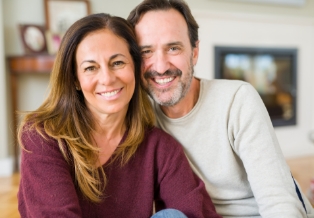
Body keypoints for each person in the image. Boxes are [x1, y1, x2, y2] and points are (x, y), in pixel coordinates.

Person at [17, 13, 222, 218]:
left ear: (135, 67)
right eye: (90, 68)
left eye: (117, 63)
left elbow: (197, 212)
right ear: (75, 80)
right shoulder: (43, 137)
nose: (107, 79)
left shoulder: (158, 147)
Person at [127, 0, 314, 217]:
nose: (160, 66)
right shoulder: (143, 115)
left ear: (194, 52)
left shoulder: (237, 100)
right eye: (146, 52)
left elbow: (278, 202)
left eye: (173, 48)